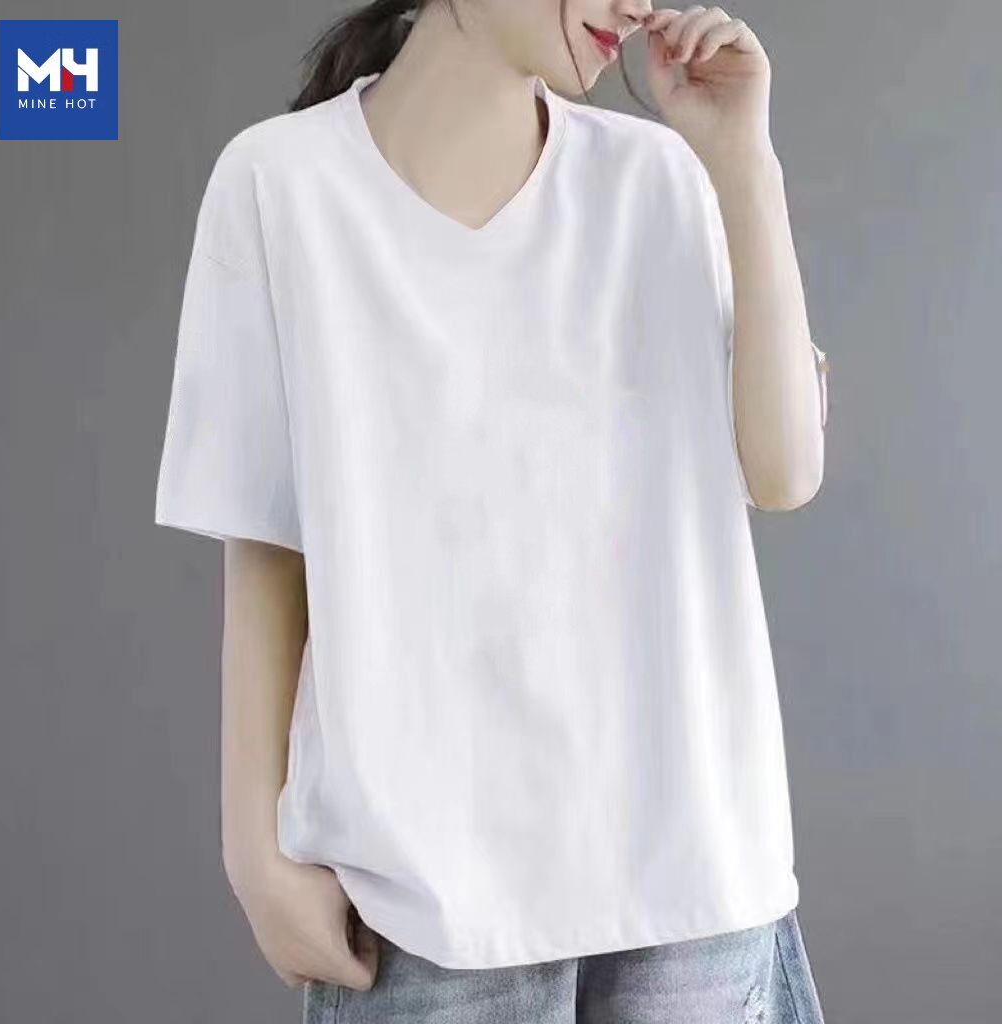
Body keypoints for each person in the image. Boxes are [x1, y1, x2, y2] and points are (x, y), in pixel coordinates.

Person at [154, 0, 830, 1020]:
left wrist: (745, 163)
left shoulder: (657, 180)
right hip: (427, 898)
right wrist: (254, 849)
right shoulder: (281, 184)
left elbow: (784, 471)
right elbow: (267, 537)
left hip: (694, 882)